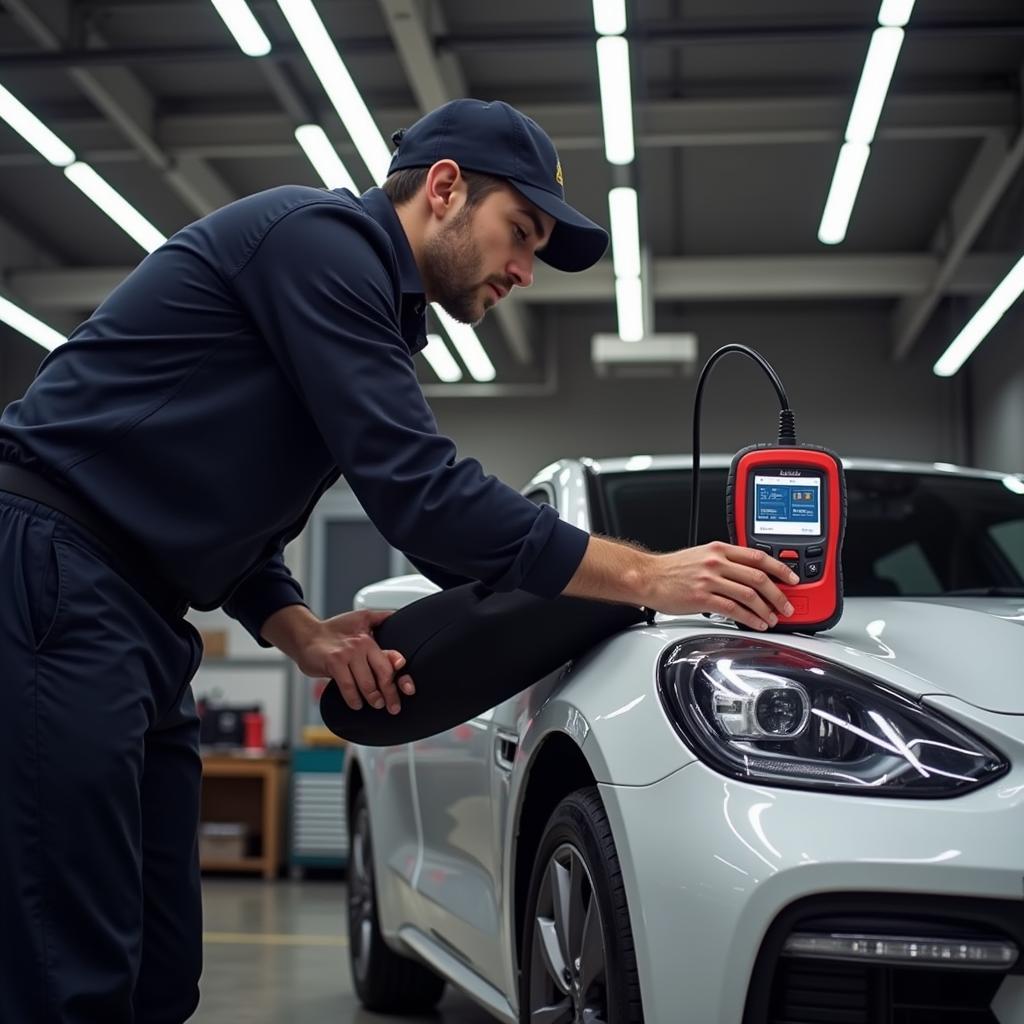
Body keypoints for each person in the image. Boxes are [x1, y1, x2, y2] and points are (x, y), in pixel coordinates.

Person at [0, 98, 796, 1023]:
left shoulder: (358, 301)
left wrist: (300, 631)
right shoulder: (321, 244)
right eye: (520, 233)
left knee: (159, 969)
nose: (525, 271)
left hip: (133, 611)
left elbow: (230, 503)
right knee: (68, 970)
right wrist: (651, 577)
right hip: (52, 575)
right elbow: (426, 500)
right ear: (446, 189)